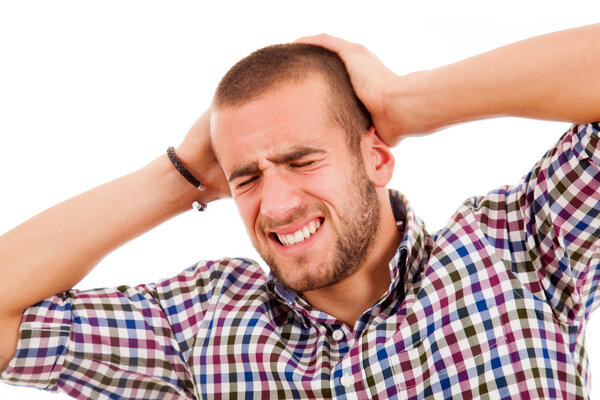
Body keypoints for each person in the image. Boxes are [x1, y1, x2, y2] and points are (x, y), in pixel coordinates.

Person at [0, 23, 599, 399]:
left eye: (302, 160)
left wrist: (403, 100)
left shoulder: (516, 247)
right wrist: (178, 175)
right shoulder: (202, 326)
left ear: (377, 159)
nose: (278, 205)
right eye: (248, 178)